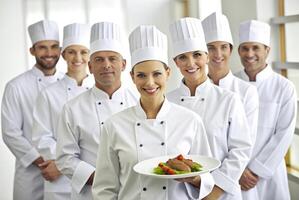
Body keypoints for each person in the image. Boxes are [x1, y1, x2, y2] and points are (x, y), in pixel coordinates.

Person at [92, 24, 215, 200]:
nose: (150, 83)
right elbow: (104, 188)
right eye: (141, 75)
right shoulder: (114, 125)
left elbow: (207, 177)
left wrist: (195, 178)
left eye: (157, 74)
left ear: (168, 73)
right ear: (132, 77)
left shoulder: (190, 121)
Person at [167, 17, 252, 200]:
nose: (191, 63)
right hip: (178, 192)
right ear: (175, 62)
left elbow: (240, 150)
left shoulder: (228, 100)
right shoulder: (167, 101)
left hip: (221, 193)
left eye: (197, 55)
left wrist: (215, 191)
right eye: (183, 57)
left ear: (206, 56)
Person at [55, 21, 139, 200]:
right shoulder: (72, 108)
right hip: (90, 194)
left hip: (133, 192)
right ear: (90, 67)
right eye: (99, 60)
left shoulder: (138, 103)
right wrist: (102, 180)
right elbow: (65, 158)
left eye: (112, 58)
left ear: (123, 65)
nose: (106, 65)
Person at [1, 20, 63, 200]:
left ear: (60, 51)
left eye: (54, 47)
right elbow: (10, 133)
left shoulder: (69, 84)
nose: (49, 53)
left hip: (63, 169)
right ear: (32, 51)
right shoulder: (16, 86)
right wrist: (43, 163)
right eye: (42, 47)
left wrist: (60, 165)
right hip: (29, 171)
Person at [236, 20, 297, 200]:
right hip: (236, 173)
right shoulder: (230, 84)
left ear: (267, 50)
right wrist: (238, 169)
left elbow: (284, 134)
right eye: (244, 48)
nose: (249, 54)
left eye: (256, 48)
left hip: (268, 173)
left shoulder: (284, 87)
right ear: (238, 51)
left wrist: (254, 170)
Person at [31, 23, 93, 200]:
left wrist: (74, 164)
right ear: (63, 54)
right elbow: (41, 137)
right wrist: (63, 164)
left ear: (90, 55)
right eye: (71, 51)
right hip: (59, 181)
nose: (77, 57)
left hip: (92, 177)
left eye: (83, 52)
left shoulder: (100, 93)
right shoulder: (48, 94)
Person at [202, 12, 259, 146]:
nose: (218, 54)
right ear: (203, 52)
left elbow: (246, 145)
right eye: (211, 48)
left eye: (224, 47)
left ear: (231, 50)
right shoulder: (194, 90)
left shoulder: (247, 92)